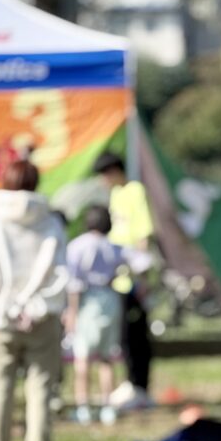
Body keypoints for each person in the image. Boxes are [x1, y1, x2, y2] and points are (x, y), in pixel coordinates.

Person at [0, 158, 67, 441]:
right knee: (40, 388)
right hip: (42, 320)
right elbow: (59, 272)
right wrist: (33, 307)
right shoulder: (50, 222)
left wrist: (7, 307)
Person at [93, 151, 155, 412]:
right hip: (117, 276)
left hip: (133, 276)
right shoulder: (115, 195)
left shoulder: (134, 191)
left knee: (136, 333)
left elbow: (143, 233)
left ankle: (139, 386)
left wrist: (142, 274)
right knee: (124, 335)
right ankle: (129, 383)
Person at [64, 204, 126, 426]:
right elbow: (140, 261)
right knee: (107, 358)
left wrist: (71, 312)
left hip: (87, 302)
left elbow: (73, 283)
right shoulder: (114, 247)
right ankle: (107, 406)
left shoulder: (77, 246)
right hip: (110, 299)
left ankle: (83, 407)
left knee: (82, 357)